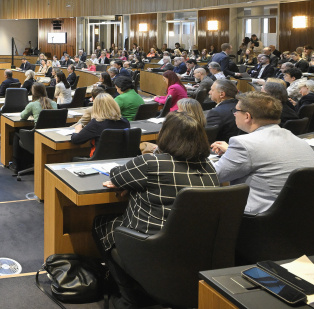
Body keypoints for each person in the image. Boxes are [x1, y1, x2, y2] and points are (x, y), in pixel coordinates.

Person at [93, 111, 219, 308]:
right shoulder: (209, 167)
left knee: (102, 224)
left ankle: (129, 298)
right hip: (195, 247)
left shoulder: (152, 163)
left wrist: (131, 184)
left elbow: (117, 176)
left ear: (166, 135)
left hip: (151, 245)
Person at [211, 92, 314, 213]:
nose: (234, 114)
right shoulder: (299, 140)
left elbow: (212, 176)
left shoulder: (243, 144)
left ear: (247, 116)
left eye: (235, 110)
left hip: (257, 220)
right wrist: (230, 152)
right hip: (301, 215)